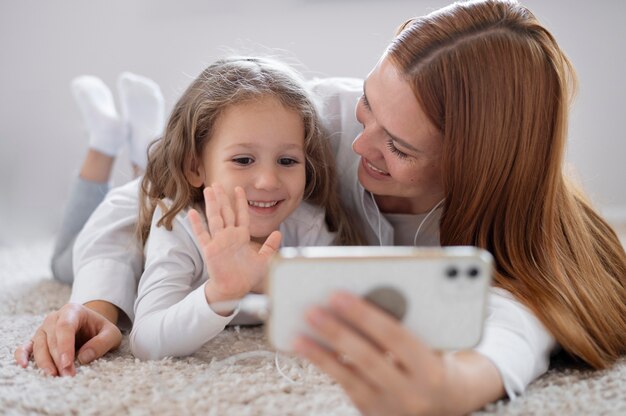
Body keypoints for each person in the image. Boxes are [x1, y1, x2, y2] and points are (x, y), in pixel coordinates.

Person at [15, 0, 626, 414]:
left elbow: (522, 313)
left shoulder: (505, 223)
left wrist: (455, 386)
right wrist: (95, 305)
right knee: (66, 264)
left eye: (399, 146)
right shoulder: (312, 122)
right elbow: (151, 196)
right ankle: (124, 139)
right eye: (368, 108)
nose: (357, 145)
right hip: (173, 240)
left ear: (474, 165)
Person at [129, 56, 362, 359]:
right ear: (195, 167)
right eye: (243, 160)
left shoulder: (308, 225)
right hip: (130, 236)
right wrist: (221, 293)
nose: (267, 181)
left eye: (287, 161)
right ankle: (116, 147)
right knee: (66, 261)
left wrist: (273, 283)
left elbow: (342, 320)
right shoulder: (180, 226)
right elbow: (145, 342)